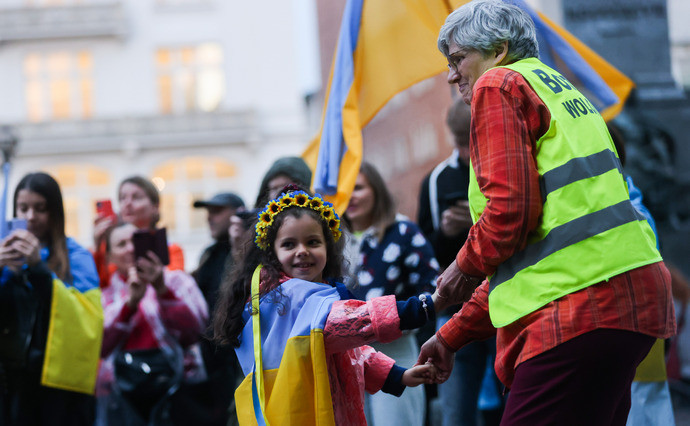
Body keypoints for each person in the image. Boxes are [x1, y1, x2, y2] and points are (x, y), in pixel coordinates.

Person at [418, 1, 676, 424]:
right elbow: (528, 262)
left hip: (576, 311)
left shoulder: (497, 84)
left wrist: (459, 269)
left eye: (458, 59)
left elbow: (508, 216)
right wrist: (450, 336)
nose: (451, 74)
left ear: (498, 50)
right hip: (630, 301)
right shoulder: (562, 90)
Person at [213, 185, 450, 425]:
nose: (302, 251)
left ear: (328, 248)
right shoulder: (283, 297)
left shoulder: (310, 294)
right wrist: (427, 305)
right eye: (289, 244)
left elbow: (345, 352)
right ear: (272, 253)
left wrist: (397, 376)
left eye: (313, 242)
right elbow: (348, 323)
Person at [417, 98, 503, 426]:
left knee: (512, 405)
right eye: (459, 143)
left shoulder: (505, 165)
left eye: (472, 141)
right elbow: (426, 251)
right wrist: (446, 230)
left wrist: (477, 223)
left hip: (504, 303)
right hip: (456, 308)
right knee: (457, 410)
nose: (467, 153)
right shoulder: (437, 180)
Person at [0, 172, 102, 425]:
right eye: (23, 208)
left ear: (55, 213)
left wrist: (37, 267)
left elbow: (88, 320)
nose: (30, 217)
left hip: (59, 390)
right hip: (10, 385)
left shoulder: (77, 257)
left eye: (40, 208)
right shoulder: (4, 256)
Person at [343, 162, 440, 426]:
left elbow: (432, 288)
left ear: (376, 190)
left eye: (358, 187)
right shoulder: (331, 239)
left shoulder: (403, 231)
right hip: (346, 356)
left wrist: (398, 319)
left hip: (396, 350)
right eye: (344, 188)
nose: (350, 195)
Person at [97, 222, 208, 425]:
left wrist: (162, 289)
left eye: (134, 240)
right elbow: (100, 346)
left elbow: (195, 331)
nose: (130, 248)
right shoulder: (104, 297)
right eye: (121, 244)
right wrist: (129, 304)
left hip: (177, 395)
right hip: (123, 399)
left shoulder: (177, 281)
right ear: (110, 257)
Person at [171, 193, 246, 426]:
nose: (210, 218)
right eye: (208, 212)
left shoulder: (247, 251)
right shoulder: (209, 254)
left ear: (238, 213)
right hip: (209, 365)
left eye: (217, 211)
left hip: (235, 362)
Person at [93, 176, 185, 286]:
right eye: (122, 198)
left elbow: (174, 287)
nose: (127, 203)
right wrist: (98, 247)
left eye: (137, 197)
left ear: (155, 207)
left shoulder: (171, 250)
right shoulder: (112, 251)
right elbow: (99, 284)